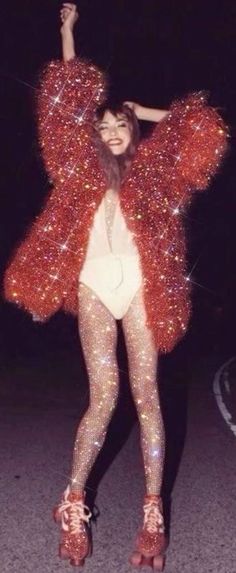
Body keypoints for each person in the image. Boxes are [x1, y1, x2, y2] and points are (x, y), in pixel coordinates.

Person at [4, 3, 227, 570]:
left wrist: (138, 107)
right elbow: (65, 108)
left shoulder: (157, 174)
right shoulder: (77, 167)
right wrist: (67, 33)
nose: (109, 131)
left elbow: (204, 127)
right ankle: (73, 503)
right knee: (103, 398)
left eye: (118, 124)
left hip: (144, 294)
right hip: (95, 291)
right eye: (102, 126)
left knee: (147, 397)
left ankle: (153, 513)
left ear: (131, 129)